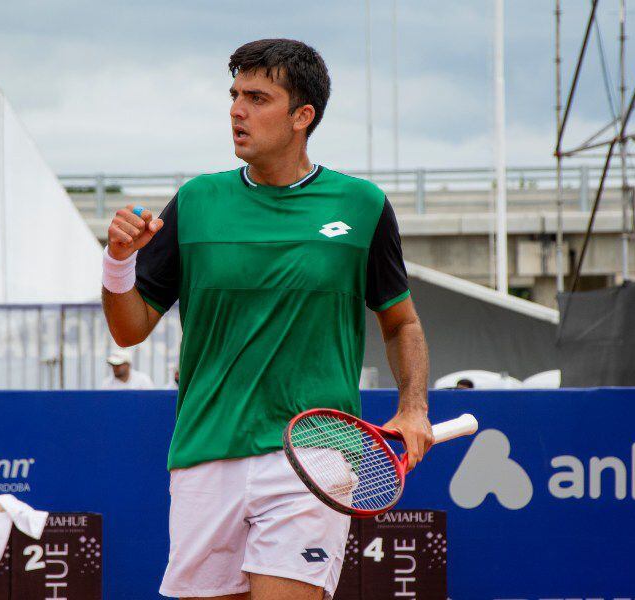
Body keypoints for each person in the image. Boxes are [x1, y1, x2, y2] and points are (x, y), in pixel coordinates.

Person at [101, 39, 433, 600]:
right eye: (234, 95)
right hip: (205, 452)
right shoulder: (196, 201)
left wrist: (414, 407)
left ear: (302, 116)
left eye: (257, 97)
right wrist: (117, 261)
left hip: (315, 454)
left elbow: (401, 323)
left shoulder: (362, 206)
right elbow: (128, 329)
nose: (237, 110)